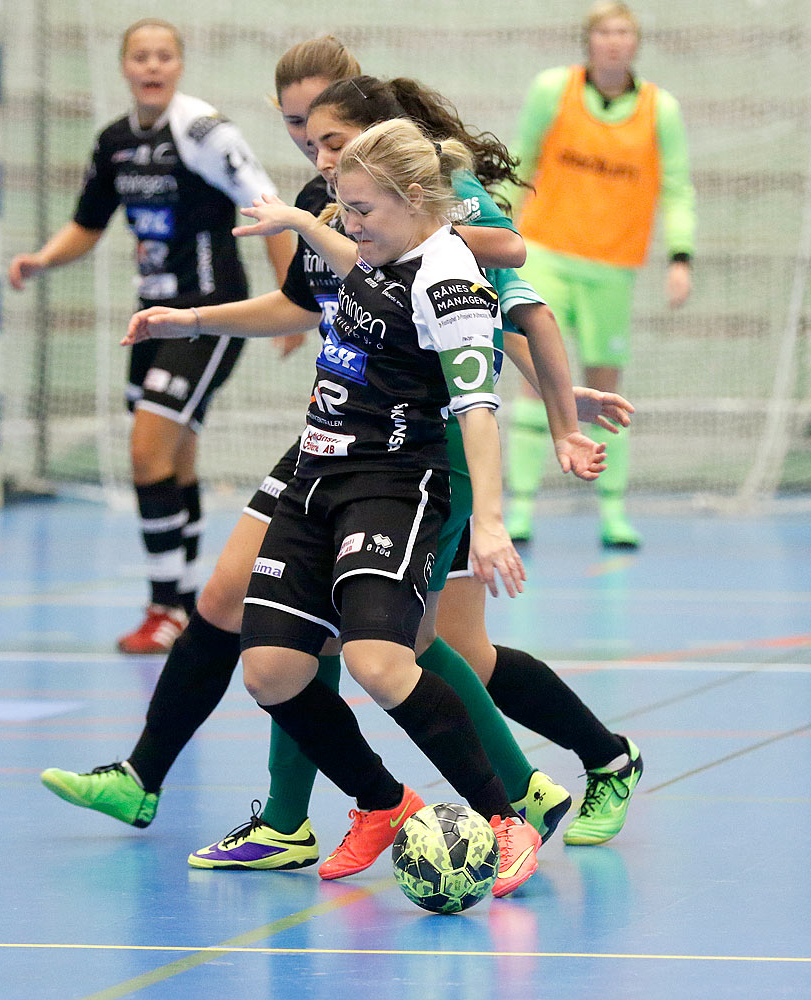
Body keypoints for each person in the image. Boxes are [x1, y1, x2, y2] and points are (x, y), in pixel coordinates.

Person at [40, 46, 645, 874]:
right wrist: (206, 306)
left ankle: (545, 782)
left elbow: (510, 297)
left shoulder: (437, 232)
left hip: (414, 461)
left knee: (431, 651)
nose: (315, 156)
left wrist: (566, 416)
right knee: (266, 629)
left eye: (329, 136)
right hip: (331, 448)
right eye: (298, 131)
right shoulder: (347, 215)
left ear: (383, 149)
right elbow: (317, 287)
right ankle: (223, 790)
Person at [162, 118, 548, 895]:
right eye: (342, 205)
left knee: (377, 661)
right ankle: (381, 802)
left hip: (392, 483)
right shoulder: (382, 247)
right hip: (315, 475)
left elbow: (477, 408)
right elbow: (360, 271)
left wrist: (494, 524)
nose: (351, 223)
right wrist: (307, 222)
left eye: (360, 208)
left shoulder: (452, 285)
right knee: (270, 669)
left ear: (413, 200)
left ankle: (506, 819)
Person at [6, 18, 296, 653]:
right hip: (153, 319)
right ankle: (189, 607)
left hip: (211, 314)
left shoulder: (202, 132)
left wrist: (289, 301)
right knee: (173, 460)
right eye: (141, 55)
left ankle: (165, 608)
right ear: (124, 66)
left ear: (180, 65)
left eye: (165, 55)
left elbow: (268, 206)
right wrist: (41, 259)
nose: (153, 66)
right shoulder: (113, 142)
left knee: (145, 455)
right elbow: (88, 223)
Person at [506, 0, 696, 550]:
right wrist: (495, 232)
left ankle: (612, 510)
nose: (614, 41)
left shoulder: (661, 109)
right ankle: (521, 505)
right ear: (588, 40)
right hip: (545, 253)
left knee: (606, 386)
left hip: (614, 266)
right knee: (534, 373)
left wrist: (680, 257)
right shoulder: (553, 90)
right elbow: (518, 161)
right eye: (604, 32)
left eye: (623, 32)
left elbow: (678, 187)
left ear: (635, 42)